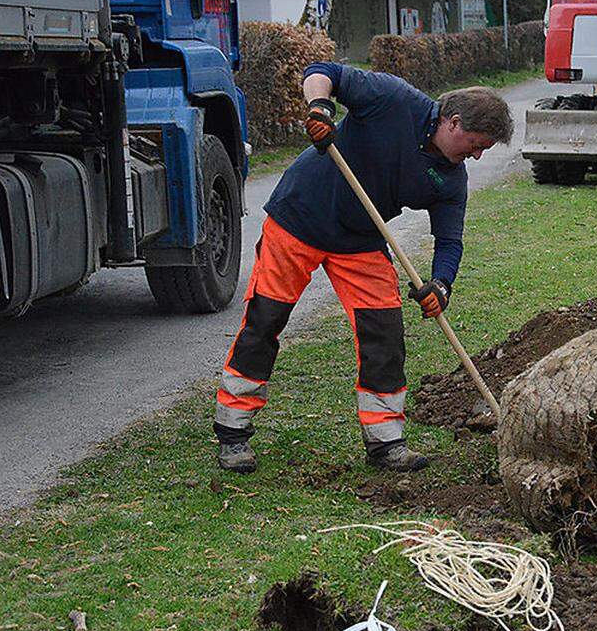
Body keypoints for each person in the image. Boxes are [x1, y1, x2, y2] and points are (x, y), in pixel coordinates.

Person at [213, 63, 513, 474]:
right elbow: (321, 72)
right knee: (265, 319)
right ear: (453, 122)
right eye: (476, 144)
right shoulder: (393, 99)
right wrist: (319, 109)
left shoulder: (450, 179)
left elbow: (449, 241)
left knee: (384, 332)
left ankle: (386, 442)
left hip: (360, 239)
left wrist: (441, 285)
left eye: (484, 150)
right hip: (298, 218)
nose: (476, 155)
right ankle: (232, 433)